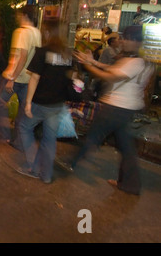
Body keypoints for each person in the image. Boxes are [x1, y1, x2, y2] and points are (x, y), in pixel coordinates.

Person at [58, 25, 155, 195]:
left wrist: (89, 67)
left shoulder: (136, 63)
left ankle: (70, 162)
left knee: (93, 136)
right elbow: (112, 69)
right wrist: (93, 62)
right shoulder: (131, 60)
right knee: (126, 148)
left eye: (128, 38)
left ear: (137, 42)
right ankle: (129, 184)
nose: (123, 41)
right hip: (124, 109)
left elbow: (109, 76)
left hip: (117, 108)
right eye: (124, 37)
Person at [14, 20, 73, 183]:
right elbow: (70, 78)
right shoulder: (67, 54)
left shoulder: (43, 52)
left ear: (47, 33)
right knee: (49, 138)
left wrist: (27, 102)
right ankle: (46, 175)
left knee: (25, 127)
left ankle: (33, 166)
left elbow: (34, 78)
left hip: (41, 102)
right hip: (57, 104)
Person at [0, 5, 42, 147]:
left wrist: (12, 79)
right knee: (23, 110)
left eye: (19, 15)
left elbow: (22, 57)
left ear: (24, 16)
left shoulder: (22, 32)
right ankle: (18, 141)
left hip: (16, 77)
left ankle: (4, 136)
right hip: (29, 79)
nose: (17, 18)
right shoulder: (37, 33)